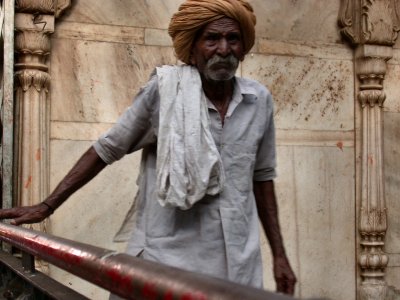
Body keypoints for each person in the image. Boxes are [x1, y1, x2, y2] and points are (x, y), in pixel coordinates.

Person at [0, 0, 296, 296]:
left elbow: (262, 177)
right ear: (191, 49)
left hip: (240, 263)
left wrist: (280, 255)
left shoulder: (259, 101)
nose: (223, 49)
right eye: (211, 39)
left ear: (244, 47)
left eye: (233, 39)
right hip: (169, 260)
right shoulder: (165, 93)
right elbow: (106, 149)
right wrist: (47, 205)